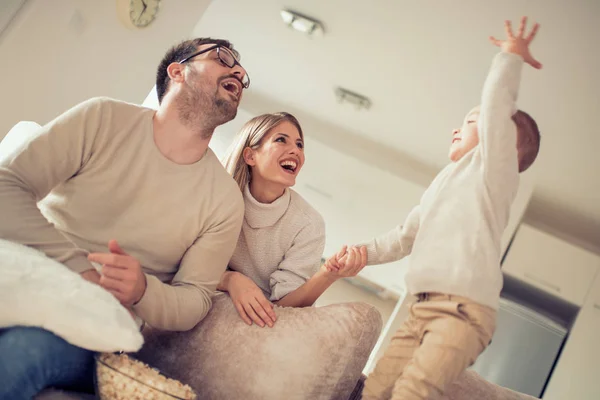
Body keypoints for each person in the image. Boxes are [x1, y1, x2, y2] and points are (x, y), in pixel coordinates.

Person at [0, 37, 248, 399]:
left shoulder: (224, 201)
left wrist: (142, 290)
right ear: (177, 71)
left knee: (24, 352)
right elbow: (7, 185)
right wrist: (81, 270)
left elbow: (195, 299)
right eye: (224, 58)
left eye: (243, 74)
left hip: (94, 328)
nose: (239, 73)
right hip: (26, 276)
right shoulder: (101, 117)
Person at [359, 17, 542, 400]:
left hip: (464, 312)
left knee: (413, 390)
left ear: (501, 143)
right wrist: (363, 254)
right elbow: (403, 237)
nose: (457, 129)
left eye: (471, 122)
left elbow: (496, 108)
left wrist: (510, 58)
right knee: (373, 387)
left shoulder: (493, 174)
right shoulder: (441, 186)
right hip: (420, 309)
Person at [219, 112, 367, 327]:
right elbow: (185, 261)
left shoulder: (309, 224)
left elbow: (284, 308)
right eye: (281, 139)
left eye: (300, 145)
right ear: (250, 156)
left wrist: (328, 274)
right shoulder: (219, 194)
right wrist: (231, 280)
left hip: (267, 323)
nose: (296, 151)